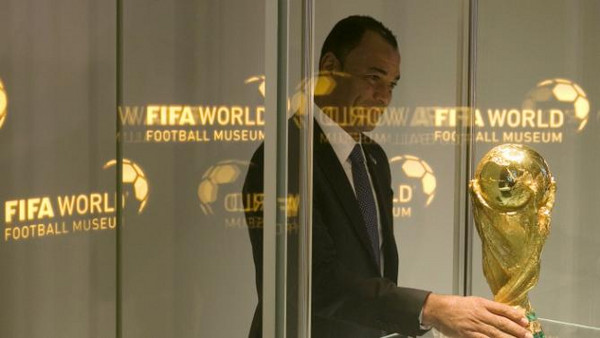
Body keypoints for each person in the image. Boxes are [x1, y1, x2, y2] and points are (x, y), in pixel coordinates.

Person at [243, 15, 533, 338]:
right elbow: (309, 281)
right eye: (373, 77)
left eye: (391, 84)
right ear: (329, 66)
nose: (383, 96)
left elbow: (375, 273)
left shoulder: (374, 159)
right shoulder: (283, 157)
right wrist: (430, 308)